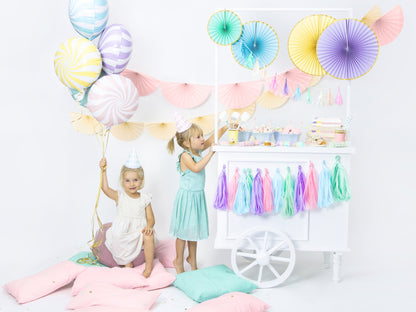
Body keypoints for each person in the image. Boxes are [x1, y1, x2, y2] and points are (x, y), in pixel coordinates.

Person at [167, 112, 227, 274]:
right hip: (187, 198)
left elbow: (212, 139)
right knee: (182, 232)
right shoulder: (186, 156)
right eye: (198, 137)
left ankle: (192, 260)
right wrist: (211, 153)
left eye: (201, 136)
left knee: (193, 231)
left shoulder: (197, 150)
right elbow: (196, 168)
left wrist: (227, 127)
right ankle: (178, 260)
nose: (202, 139)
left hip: (197, 196)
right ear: (187, 142)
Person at [99, 149, 157, 278]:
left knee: (149, 237)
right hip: (123, 231)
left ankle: (148, 267)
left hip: (138, 231)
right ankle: (127, 262)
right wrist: (103, 170)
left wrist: (149, 227)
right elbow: (105, 188)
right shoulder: (120, 196)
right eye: (128, 181)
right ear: (122, 181)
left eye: (135, 180)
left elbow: (151, 218)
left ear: (141, 180)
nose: (132, 184)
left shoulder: (144, 198)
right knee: (116, 236)